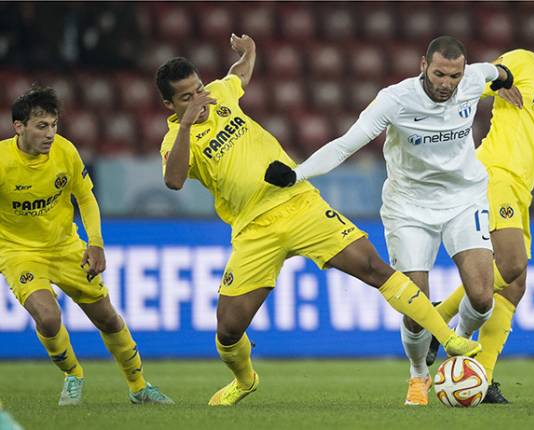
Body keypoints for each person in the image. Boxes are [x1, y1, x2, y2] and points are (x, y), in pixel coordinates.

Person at [155, 33, 481, 407]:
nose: (199, 100)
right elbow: (174, 180)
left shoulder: (220, 94)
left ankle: (449, 337)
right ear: (169, 104)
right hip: (254, 229)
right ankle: (244, 380)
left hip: (299, 203)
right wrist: (185, 127)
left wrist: (251, 52)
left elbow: (238, 76)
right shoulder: (174, 141)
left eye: (199, 89)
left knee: (374, 266)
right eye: (187, 97)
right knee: (228, 329)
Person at [265, 36, 516, 406]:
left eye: (455, 75)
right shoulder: (395, 100)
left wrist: (508, 81)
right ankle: (418, 375)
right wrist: (297, 174)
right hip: (409, 207)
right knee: (416, 312)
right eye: (440, 74)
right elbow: (346, 144)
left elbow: (503, 71)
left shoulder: (474, 79)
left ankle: (456, 349)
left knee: (481, 297)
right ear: (423, 66)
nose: (447, 83)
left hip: (464, 199)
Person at [425, 17, 534, 403]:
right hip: (492, 175)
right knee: (511, 264)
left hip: (520, 192)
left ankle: (483, 377)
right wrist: (495, 85)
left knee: (515, 286)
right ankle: (437, 319)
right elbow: (471, 80)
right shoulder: (521, 62)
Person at [0, 86, 173, 406]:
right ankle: (73, 374)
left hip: (66, 247)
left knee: (107, 318)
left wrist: (95, 243)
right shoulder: (2, 162)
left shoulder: (65, 151)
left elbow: (85, 197)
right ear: (19, 127)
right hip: (19, 252)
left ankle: (139, 387)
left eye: (54, 125)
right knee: (48, 318)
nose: (51, 133)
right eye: (42, 126)